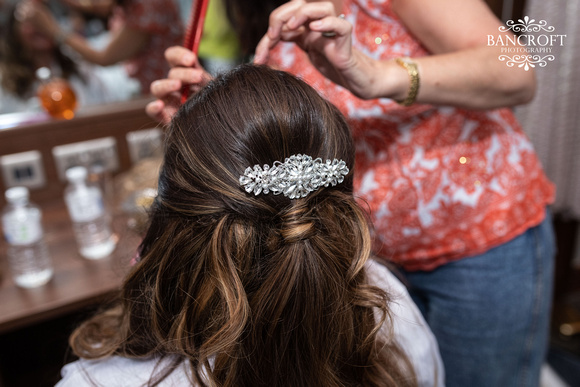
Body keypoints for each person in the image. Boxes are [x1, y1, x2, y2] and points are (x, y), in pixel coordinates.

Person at [146, 1, 556, 386]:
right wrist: (214, 125)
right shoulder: (256, 9)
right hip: (359, 257)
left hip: (481, 237)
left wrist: (375, 74)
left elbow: (517, 70)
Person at [56, 64, 444, 386]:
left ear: (171, 217)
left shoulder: (96, 381)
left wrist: (214, 135)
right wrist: (219, 130)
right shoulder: (390, 308)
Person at [18, 0, 183, 94]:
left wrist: (53, 30)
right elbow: (99, 5)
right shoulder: (127, 4)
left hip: (161, 91)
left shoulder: (150, 4)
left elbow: (104, 57)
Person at [0, 3, 113, 114]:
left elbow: (105, 107)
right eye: (30, 21)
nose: (39, 26)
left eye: (42, 19)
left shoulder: (78, 66)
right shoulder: (5, 81)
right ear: (14, 32)